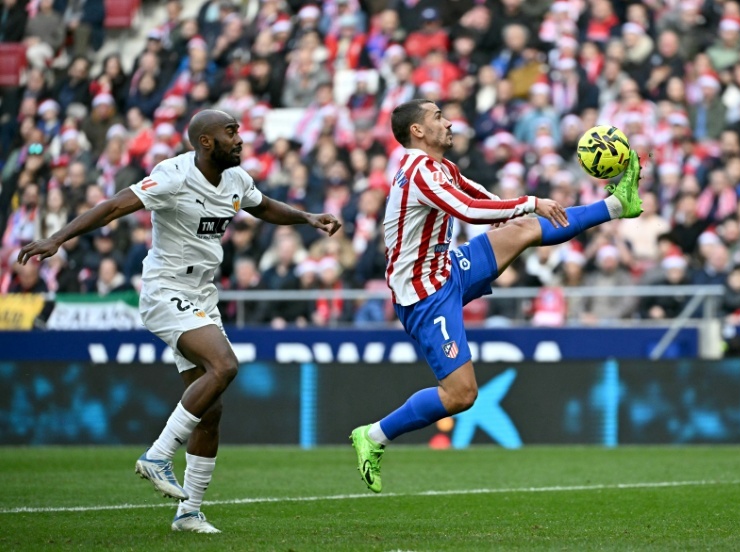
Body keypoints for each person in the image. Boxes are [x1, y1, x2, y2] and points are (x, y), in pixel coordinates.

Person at [17, 109, 341, 533]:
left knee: (210, 409)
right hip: (165, 289)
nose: (240, 139)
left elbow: (264, 207)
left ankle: (189, 512)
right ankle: (157, 454)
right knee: (225, 365)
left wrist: (307, 218)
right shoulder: (172, 175)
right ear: (206, 142)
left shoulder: (237, 179)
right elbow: (115, 205)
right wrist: (57, 239)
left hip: (202, 295)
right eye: (231, 133)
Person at [349, 98, 643, 493]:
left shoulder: (441, 168)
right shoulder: (418, 172)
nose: (449, 122)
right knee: (461, 394)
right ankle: (374, 435)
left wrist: (526, 210)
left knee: (523, 228)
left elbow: (489, 204)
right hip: (424, 297)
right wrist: (533, 202)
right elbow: (470, 210)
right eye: (438, 117)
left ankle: (615, 204)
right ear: (417, 130)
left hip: (447, 270)